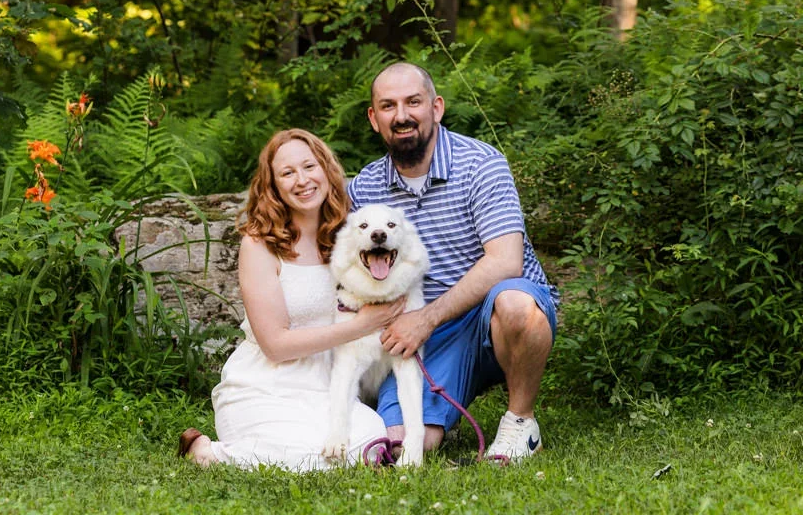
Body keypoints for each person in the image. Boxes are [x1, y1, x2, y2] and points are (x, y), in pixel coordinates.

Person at [347, 62, 559, 462]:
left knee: (515, 305)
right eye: (388, 106)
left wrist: (425, 318)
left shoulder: (481, 164)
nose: (403, 115)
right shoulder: (366, 187)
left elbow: (506, 262)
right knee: (404, 445)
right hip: (429, 336)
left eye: (414, 102)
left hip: (493, 312)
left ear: (437, 107)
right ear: (374, 119)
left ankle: (520, 423)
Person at [178, 129, 405, 471]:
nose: (302, 180)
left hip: (327, 387)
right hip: (264, 385)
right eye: (287, 173)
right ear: (273, 186)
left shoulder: (349, 238)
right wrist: (361, 325)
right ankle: (206, 452)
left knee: (369, 443)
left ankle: (240, 455)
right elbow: (275, 345)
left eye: (309, 166)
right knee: (308, 458)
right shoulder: (259, 245)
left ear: (326, 170)